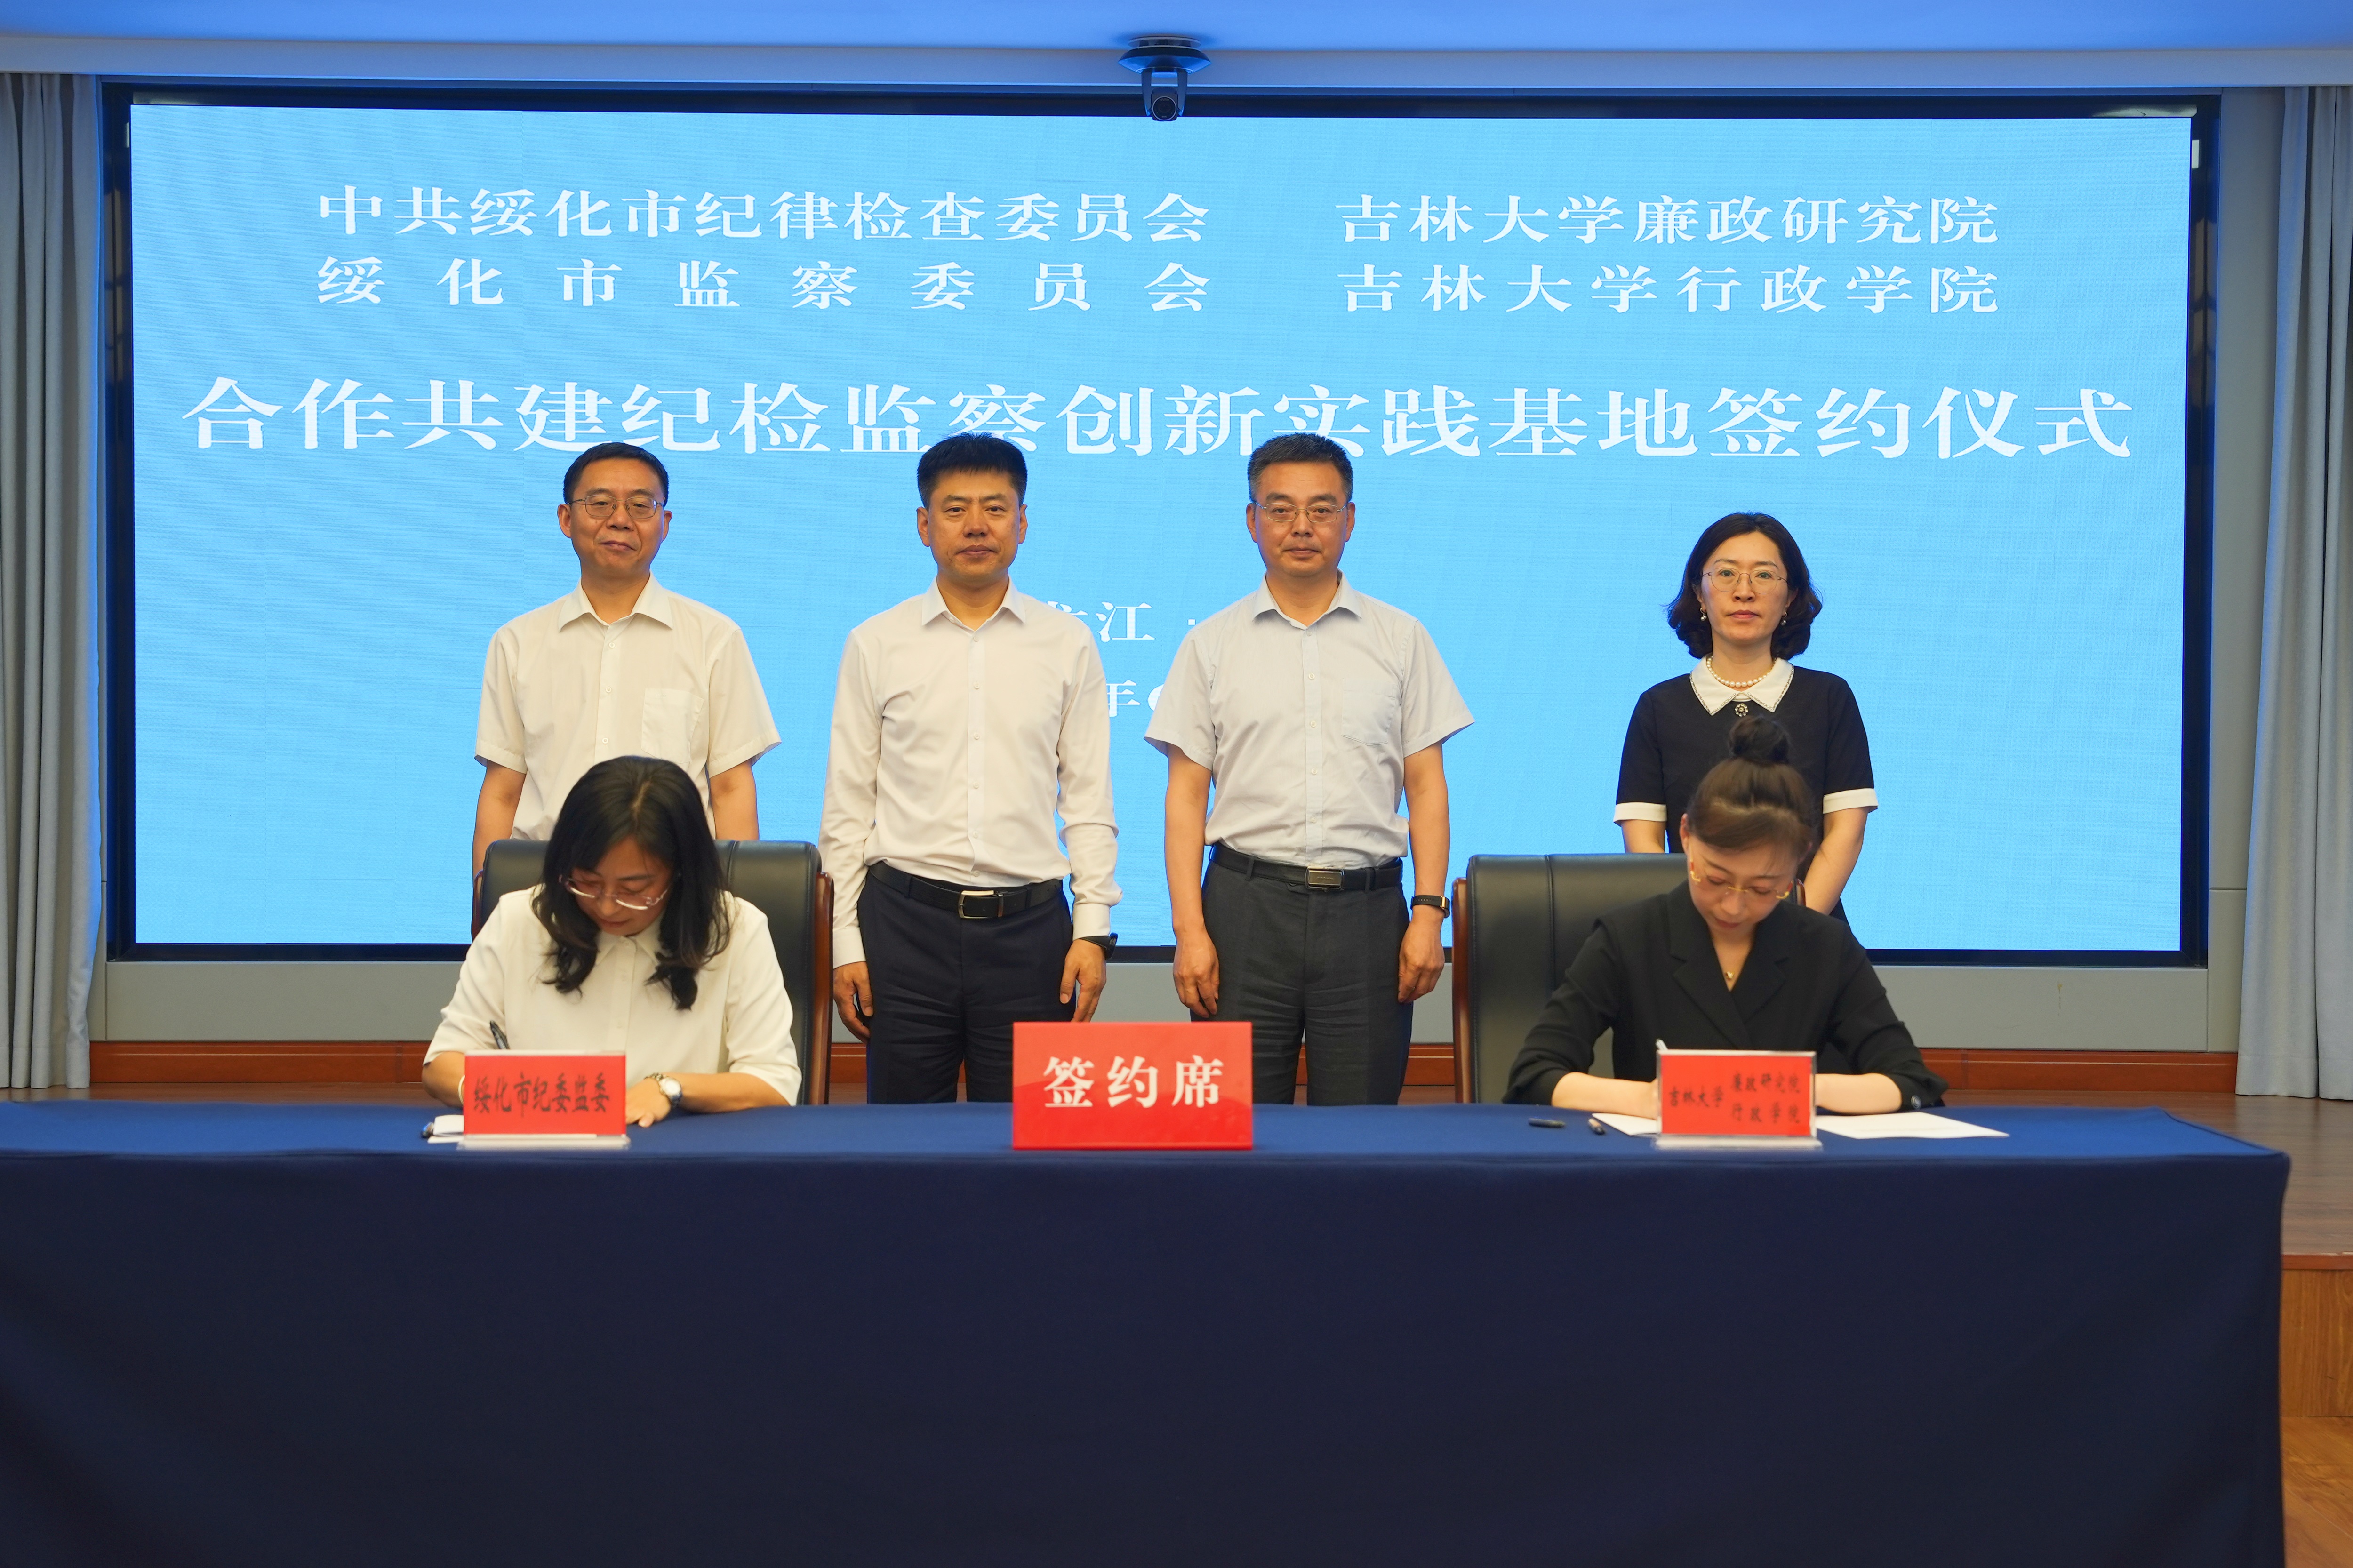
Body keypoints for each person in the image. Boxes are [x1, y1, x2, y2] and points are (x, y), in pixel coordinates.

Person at [1146, 432, 1473, 1106]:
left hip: (1366, 916)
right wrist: (1189, 931)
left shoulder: (1401, 638)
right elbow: (1185, 799)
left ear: (1349, 519)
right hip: (1244, 912)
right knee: (1234, 1126)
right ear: (1252, 520)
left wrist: (1428, 914)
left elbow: (1426, 787)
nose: (1302, 527)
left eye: (1321, 510)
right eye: (1280, 509)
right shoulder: (1210, 645)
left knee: (1359, 1135)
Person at [818, 432, 1119, 1103]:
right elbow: (847, 804)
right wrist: (844, 944)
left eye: (995, 508)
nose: (976, 526)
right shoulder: (876, 642)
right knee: (903, 1138)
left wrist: (1093, 930)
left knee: (1024, 1142)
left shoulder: (1066, 642)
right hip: (903, 929)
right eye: (955, 509)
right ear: (924, 524)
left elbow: (1089, 800)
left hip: (1029, 934)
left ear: (1022, 522)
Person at [1511, 716, 1941, 1115]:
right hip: (1658, 1161)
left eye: (1763, 888)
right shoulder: (1629, 937)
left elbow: (1912, 1083)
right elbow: (1535, 1075)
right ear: (1686, 836)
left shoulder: (1825, 947)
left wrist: (1796, 1089)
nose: (1733, 906)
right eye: (1715, 879)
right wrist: (1651, 1098)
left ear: (1799, 861)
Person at [472, 440, 779, 922]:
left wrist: (730, 915)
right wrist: (486, 906)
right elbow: (502, 790)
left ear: (665, 524)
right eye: (600, 503)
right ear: (566, 518)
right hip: (544, 894)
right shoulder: (517, 641)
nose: (619, 520)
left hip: (675, 895)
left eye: (640, 505)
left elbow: (731, 788)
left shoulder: (714, 638)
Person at [425, 755, 800, 1125]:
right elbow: (443, 1063)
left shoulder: (736, 930)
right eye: (588, 882)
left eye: (633, 889)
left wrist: (669, 1087)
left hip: (679, 1154)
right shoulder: (519, 921)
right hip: (544, 1152)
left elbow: (773, 1083)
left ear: (682, 873)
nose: (607, 905)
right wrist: (517, 1094)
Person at [1615, 512, 1876, 916]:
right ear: (1699, 593)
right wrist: (1704, 935)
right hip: (1691, 937)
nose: (1744, 592)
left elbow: (1846, 833)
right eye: (1726, 574)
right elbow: (1645, 845)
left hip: (1810, 935)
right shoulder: (1658, 707)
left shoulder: (1828, 698)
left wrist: (1794, 928)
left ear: (1791, 597)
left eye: (1764, 576)